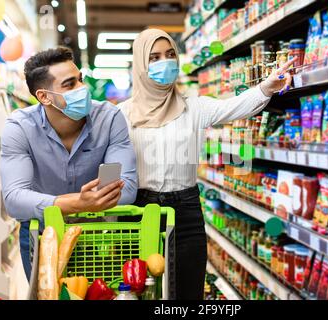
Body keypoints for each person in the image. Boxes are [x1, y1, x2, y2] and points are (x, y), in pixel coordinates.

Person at [119, 29, 295, 300]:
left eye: (169, 55)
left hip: (186, 210)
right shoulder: (121, 114)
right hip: (140, 210)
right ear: (141, 63)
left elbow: (235, 107)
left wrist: (266, 87)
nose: (164, 63)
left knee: (188, 290)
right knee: (140, 291)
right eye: (153, 57)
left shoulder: (194, 107)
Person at [0, 47, 138, 280]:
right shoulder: (19, 127)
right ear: (44, 96)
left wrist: (80, 205)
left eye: (81, 80)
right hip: (43, 234)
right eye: (70, 84)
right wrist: (80, 202)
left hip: (96, 234)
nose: (83, 89)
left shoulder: (109, 118)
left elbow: (127, 189)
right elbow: (14, 199)